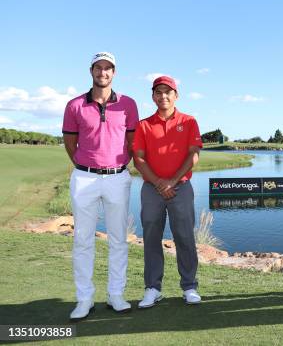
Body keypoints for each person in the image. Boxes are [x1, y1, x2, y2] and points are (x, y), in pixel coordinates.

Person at [62, 52, 139, 321]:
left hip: (117, 177)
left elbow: (132, 141)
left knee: (118, 238)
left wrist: (113, 166)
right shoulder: (74, 105)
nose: (103, 73)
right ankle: (84, 299)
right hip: (84, 178)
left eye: (108, 68)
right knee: (83, 239)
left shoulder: (128, 104)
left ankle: (116, 295)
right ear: (91, 71)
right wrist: (88, 165)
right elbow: (70, 144)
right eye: (98, 68)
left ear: (114, 73)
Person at [132, 75, 203, 308]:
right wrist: (159, 183)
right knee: (151, 237)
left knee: (184, 236)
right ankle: (153, 288)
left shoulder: (189, 121)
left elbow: (194, 154)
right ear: (153, 96)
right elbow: (139, 159)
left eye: (168, 92)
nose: (163, 96)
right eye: (158, 92)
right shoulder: (143, 125)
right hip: (152, 189)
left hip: (181, 186)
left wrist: (172, 181)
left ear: (176, 95)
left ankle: (189, 286)